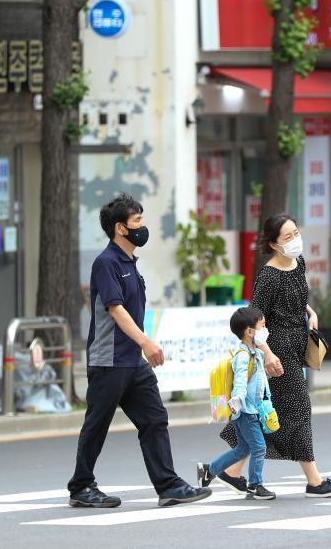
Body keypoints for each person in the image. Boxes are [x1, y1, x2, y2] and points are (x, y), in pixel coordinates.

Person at [68, 193, 212, 509]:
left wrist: (141, 346)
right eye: (137, 221)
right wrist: (146, 342)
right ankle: (81, 486)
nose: (142, 226)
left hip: (132, 360)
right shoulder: (106, 263)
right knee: (98, 422)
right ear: (120, 228)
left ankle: (169, 485)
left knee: (154, 418)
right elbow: (116, 310)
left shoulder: (130, 263)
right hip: (109, 358)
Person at [218, 214, 331, 498]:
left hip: (296, 343)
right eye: (287, 237)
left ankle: (231, 471)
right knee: (299, 409)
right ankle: (314, 481)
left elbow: (299, 296)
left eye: (295, 233)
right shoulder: (268, 276)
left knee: (271, 413)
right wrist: (267, 354)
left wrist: (310, 312)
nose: (294, 240)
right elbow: (253, 319)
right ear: (274, 244)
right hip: (275, 349)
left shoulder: (299, 263)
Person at [197, 306, 275, 500]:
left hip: (251, 409)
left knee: (243, 448)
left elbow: (259, 381)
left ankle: (209, 470)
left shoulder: (256, 353)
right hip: (244, 411)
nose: (266, 330)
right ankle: (256, 485)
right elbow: (240, 381)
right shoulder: (242, 356)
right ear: (250, 332)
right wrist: (237, 401)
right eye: (263, 326)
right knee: (259, 447)